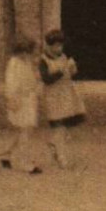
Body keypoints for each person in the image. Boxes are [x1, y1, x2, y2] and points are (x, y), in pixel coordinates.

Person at [39, 29, 86, 169]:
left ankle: (55, 144)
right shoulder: (44, 60)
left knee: (65, 126)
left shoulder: (63, 56)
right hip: (53, 97)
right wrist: (62, 70)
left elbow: (71, 74)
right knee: (58, 127)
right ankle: (62, 157)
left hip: (67, 95)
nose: (59, 48)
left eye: (61, 45)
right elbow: (46, 79)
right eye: (56, 46)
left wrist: (72, 68)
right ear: (49, 45)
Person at [0, 35, 42, 174]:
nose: (29, 55)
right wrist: (11, 98)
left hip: (29, 99)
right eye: (28, 52)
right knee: (25, 130)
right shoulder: (14, 63)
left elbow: (33, 79)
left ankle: (6, 156)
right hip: (20, 100)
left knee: (22, 130)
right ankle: (25, 162)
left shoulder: (27, 62)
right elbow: (11, 83)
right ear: (22, 51)